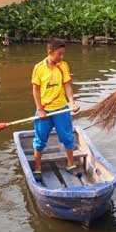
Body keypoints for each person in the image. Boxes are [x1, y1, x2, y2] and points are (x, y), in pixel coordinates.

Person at [31, 40, 80, 182]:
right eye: (59, 54)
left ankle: (70, 164)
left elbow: (67, 86)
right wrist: (39, 109)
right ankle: (38, 167)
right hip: (44, 111)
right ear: (50, 52)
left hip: (61, 110)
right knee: (39, 141)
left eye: (63, 54)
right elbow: (36, 90)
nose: (62, 57)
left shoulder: (63, 66)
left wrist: (72, 103)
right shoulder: (39, 68)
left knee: (67, 137)